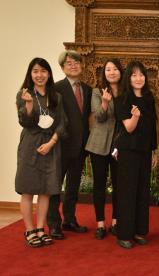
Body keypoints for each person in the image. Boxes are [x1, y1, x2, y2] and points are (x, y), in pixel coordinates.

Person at [15, 58, 66, 247]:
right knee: (28, 189)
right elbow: (25, 122)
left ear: (49, 74)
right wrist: (28, 105)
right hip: (30, 144)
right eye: (35, 71)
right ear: (30, 74)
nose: (39, 75)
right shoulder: (24, 94)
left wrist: (52, 142)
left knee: (46, 190)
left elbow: (62, 123)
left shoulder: (56, 96)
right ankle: (29, 230)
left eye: (43, 71)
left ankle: (40, 228)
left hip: (51, 145)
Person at [47, 50, 92, 239]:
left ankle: (69, 220)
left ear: (82, 65)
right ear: (62, 68)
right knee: (55, 186)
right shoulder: (56, 89)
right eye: (69, 63)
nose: (73, 65)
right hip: (61, 146)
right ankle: (54, 224)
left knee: (73, 185)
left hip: (81, 147)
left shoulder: (88, 90)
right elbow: (51, 119)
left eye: (76, 62)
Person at [114, 61, 158, 249]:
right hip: (128, 151)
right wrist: (136, 116)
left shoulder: (149, 98)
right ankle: (124, 234)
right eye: (134, 75)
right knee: (128, 192)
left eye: (141, 75)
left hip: (145, 151)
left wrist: (154, 150)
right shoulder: (122, 99)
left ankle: (140, 231)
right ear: (128, 78)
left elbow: (153, 128)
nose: (138, 78)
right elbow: (129, 128)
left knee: (142, 191)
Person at [85, 59, 123, 239]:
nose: (112, 72)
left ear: (120, 72)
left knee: (118, 184)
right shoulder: (97, 91)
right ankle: (100, 224)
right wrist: (105, 103)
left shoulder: (126, 92)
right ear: (104, 73)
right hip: (98, 144)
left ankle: (116, 222)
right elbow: (98, 117)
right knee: (99, 185)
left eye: (115, 69)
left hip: (118, 146)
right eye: (108, 69)